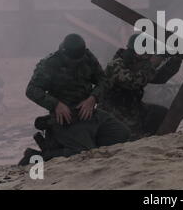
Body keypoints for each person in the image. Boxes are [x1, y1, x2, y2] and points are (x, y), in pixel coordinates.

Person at [19, 34, 130, 165]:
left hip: (88, 113)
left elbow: (103, 81)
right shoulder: (50, 64)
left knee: (122, 134)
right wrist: (56, 104)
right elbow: (31, 90)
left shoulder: (87, 57)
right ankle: (41, 155)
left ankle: (78, 144)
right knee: (84, 153)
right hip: (66, 119)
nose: (75, 63)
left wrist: (93, 98)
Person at [100, 34, 183, 140]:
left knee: (160, 113)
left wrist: (176, 60)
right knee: (132, 136)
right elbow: (134, 82)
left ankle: (158, 140)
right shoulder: (116, 65)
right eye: (147, 54)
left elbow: (159, 78)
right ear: (138, 52)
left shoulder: (138, 64)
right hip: (112, 112)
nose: (148, 57)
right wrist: (152, 64)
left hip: (131, 108)